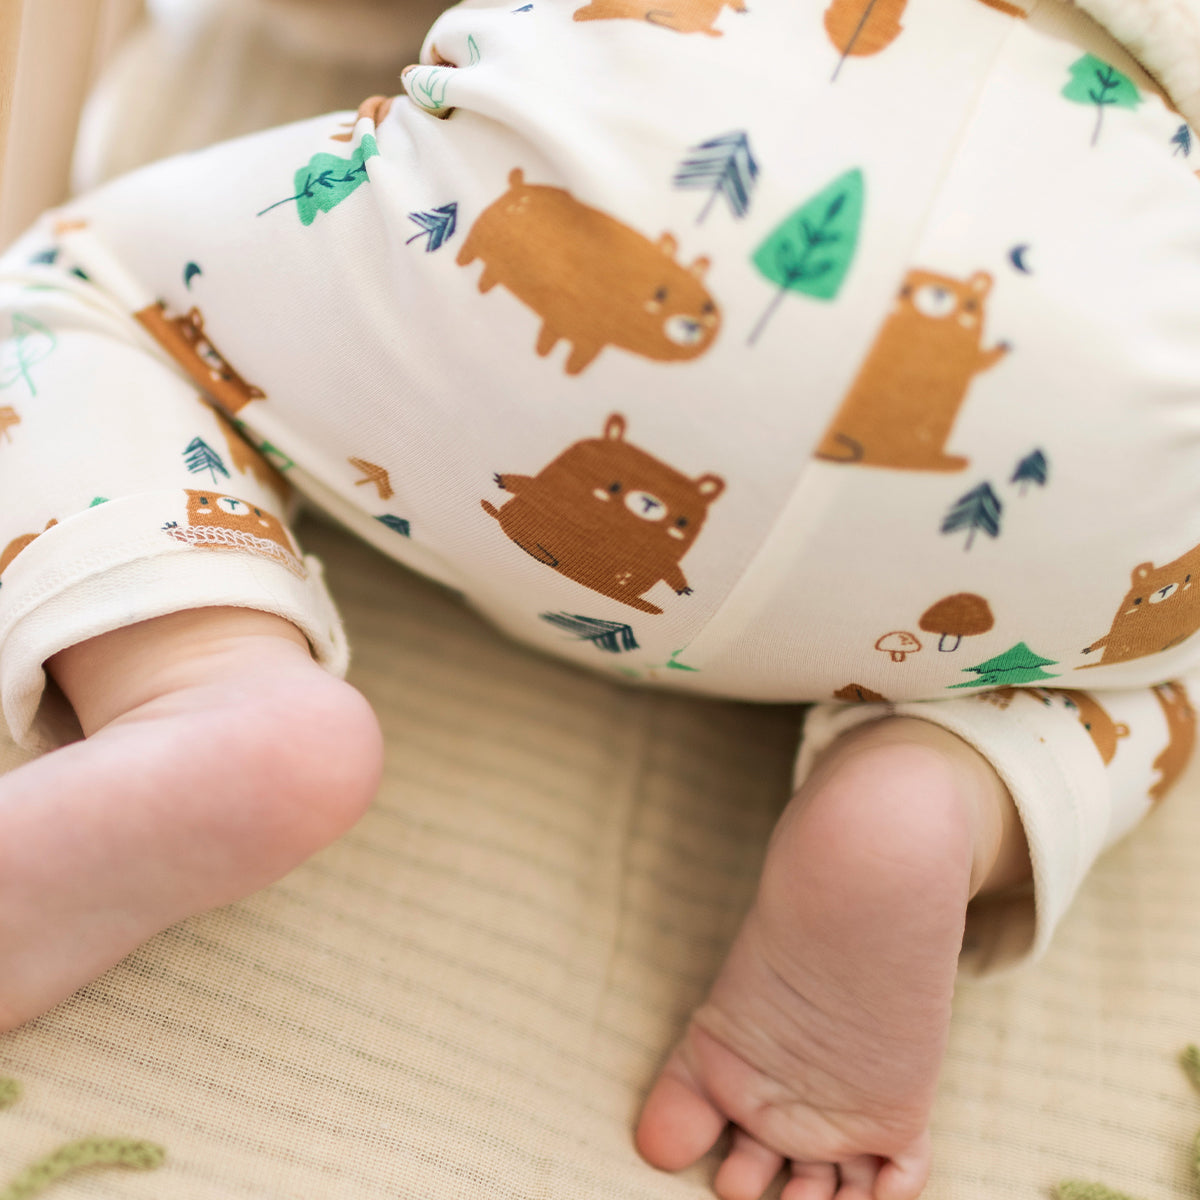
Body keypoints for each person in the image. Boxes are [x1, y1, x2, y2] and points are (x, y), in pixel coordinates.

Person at [2, 0, 1199, 1196]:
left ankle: (202, 679)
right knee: (1154, 656)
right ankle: (938, 801)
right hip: (1107, 384)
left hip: (679, 134)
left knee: (76, 295)